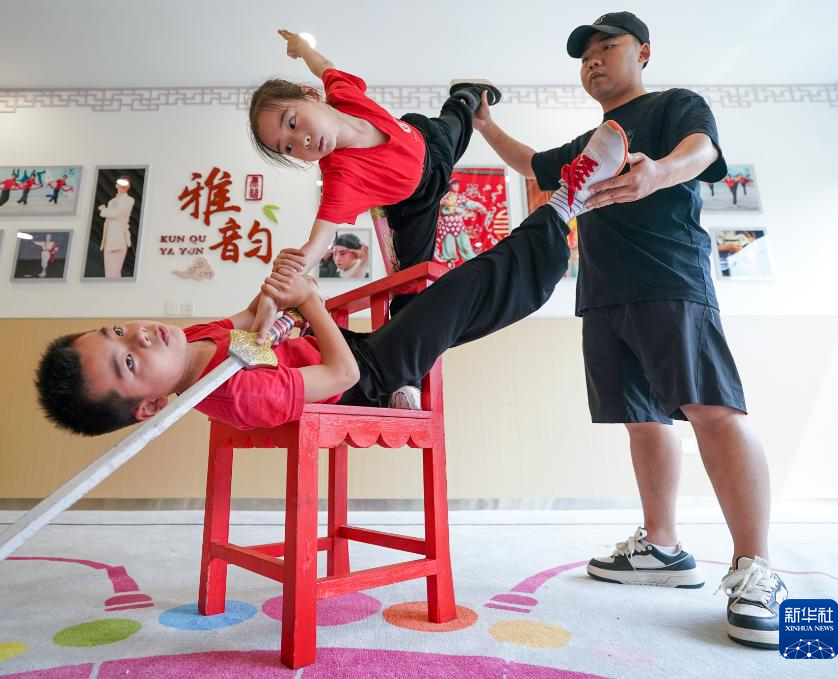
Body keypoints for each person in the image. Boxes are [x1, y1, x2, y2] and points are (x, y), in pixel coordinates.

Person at [472, 10, 785, 650]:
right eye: (584, 55)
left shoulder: (672, 105)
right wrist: (483, 124)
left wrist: (658, 172)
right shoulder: (589, 142)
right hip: (602, 294)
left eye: (607, 47)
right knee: (642, 420)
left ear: (642, 52)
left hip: (669, 277)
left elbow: (704, 150)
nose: (593, 60)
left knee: (712, 408)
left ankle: (756, 567)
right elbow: (531, 165)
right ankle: (663, 548)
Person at [35, 119, 627, 440]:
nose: (140, 337)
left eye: (118, 331)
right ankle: (563, 205)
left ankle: (535, 221)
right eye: (128, 363)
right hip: (362, 376)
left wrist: (275, 292)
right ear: (151, 406)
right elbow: (342, 375)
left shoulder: (190, 344)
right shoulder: (236, 395)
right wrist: (311, 301)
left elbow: (250, 322)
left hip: (343, 348)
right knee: (459, 294)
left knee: (437, 300)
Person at [247, 28, 502, 338]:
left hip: (426, 138)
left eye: (292, 122)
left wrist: (302, 47)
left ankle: (467, 93)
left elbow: (323, 65)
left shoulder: (343, 94)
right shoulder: (340, 177)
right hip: (416, 202)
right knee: (411, 286)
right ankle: (406, 351)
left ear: (311, 95)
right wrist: (275, 293)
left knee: (457, 117)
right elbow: (317, 244)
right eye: (288, 147)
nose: (302, 141)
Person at [435, 177, 486, 264]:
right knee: (448, 247)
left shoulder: (459, 197)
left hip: (458, 225)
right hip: (446, 225)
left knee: (465, 245)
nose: (457, 186)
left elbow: (470, 204)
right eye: (454, 184)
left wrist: (480, 206)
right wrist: (441, 203)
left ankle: (471, 260)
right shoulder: (443, 197)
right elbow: (436, 205)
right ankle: (449, 262)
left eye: (457, 184)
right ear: (450, 185)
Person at [98, 176, 135, 278]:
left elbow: (116, 214)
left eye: (125, 184)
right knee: (109, 272)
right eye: (120, 183)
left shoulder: (129, 200)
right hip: (108, 239)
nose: (122, 186)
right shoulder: (112, 201)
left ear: (128, 187)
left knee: (113, 272)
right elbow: (111, 215)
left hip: (118, 238)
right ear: (116, 185)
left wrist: (103, 210)